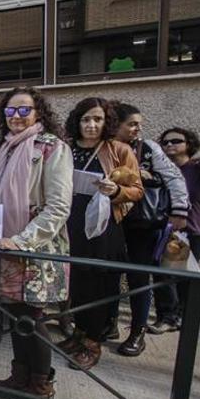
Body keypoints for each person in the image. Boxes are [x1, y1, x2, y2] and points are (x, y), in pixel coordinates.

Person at [0, 86, 73, 399]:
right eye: (10, 111)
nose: (17, 117)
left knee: (33, 317)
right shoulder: (6, 148)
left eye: (24, 110)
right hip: (6, 245)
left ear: (38, 112)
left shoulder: (52, 148)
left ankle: (41, 384)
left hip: (35, 248)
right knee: (17, 315)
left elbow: (58, 206)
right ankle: (19, 376)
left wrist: (22, 240)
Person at [57, 98, 142, 371]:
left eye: (97, 119)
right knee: (77, 282)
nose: (91, 125)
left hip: (103, 228)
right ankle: (79, 334)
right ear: (77, 121)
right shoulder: (67, 148)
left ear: (107, 123)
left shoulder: (119, 150)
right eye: (85, 119)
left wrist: (115, 191)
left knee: (98, 284)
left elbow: (137, 189)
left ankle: (93, 342)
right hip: (70, 224)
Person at [111, 104, 189, 356]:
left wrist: (179, 211)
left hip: (142, 224)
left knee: (139, 278)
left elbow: (173, 178)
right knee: (107, 274)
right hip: (109, 222)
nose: (137, 128)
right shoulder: (105, 146)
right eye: (132, 124)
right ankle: (107, 324)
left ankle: (138, 331)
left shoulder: (148, 149)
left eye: (138, 124)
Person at [151, 127, 200, 332]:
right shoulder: (162, 170)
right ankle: (169, 316)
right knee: (164, 273)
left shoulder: (199, 168)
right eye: (165, 142)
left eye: (176, 141)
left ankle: (178, 316)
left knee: (183, 275)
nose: (170, 145)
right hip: (167, 229)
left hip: (195, 229)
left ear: (188, 144)